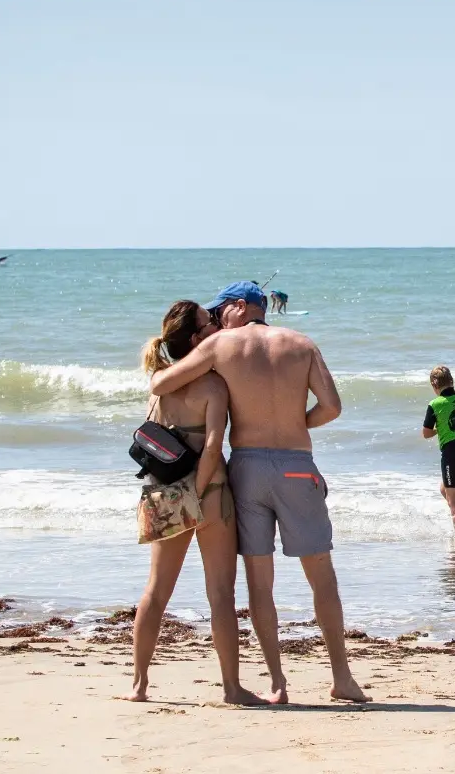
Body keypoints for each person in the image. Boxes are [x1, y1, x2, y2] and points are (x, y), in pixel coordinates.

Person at [149, 281, 369, 704]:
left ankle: (277, 683)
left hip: (248, 468)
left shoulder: (221, 347)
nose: (214, 321)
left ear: (237, 307)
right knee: (321, 575)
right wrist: (294, 422)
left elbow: (162, 384)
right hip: (296, 467)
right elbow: (332, 408)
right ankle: (342, 678)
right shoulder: (302, 343)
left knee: (259, 583)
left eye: (218, 312)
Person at [128, 301, 266, 705]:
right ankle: (232, 688)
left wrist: (182, 495)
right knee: (221, 594)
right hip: (210, 497)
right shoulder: (212, 386)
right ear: (195, 338)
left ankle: (139, 684)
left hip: (163, 495)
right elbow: (210, 448)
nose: (215, 327)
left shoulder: (159, 384)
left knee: (156, 591)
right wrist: (200, 492)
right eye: (208, 324)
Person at [420, 365, 455, 530]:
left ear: (434, 385)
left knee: (454, 502)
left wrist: (441, 428)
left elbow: (426, 433)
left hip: (451, 454)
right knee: (446, 489)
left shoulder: (435, 404)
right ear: (452, 381)